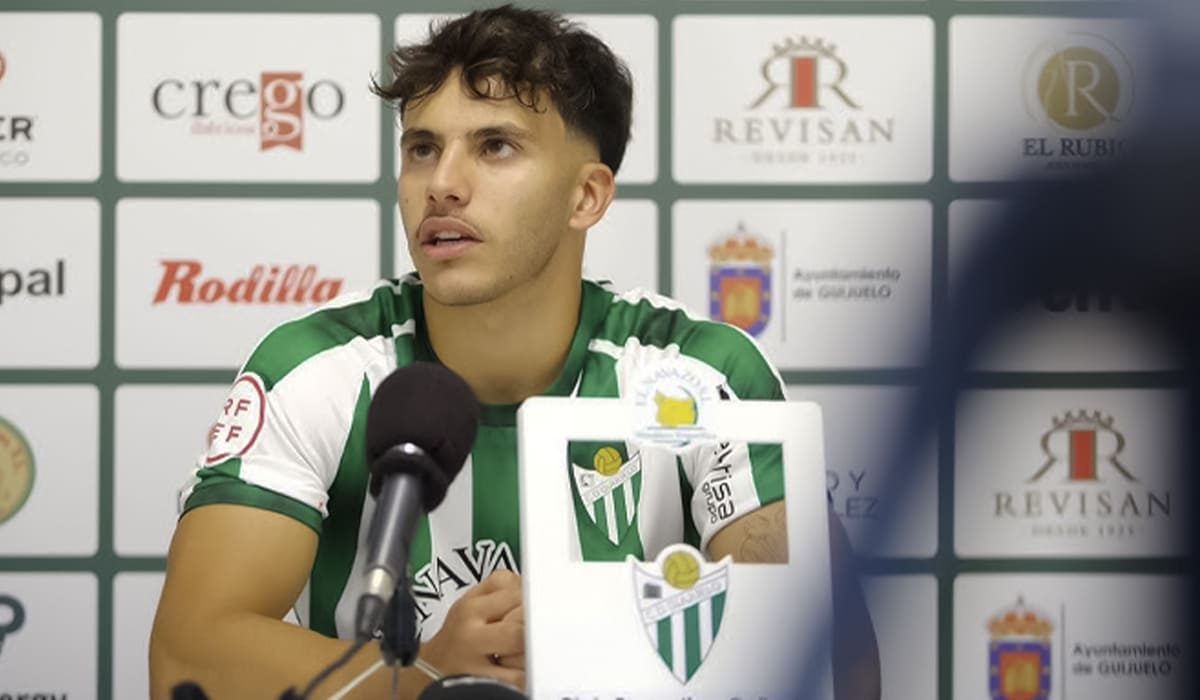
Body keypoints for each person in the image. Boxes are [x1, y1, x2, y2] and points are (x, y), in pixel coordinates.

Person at [148, 5, 879, 699]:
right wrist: (424, 677)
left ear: (587, 197)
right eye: (422, 149)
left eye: (495, 147)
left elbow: (831, 663)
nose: (442, 185)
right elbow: (187, 658)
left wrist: (583, 641)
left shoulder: (703, 372)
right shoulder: (317, 366)